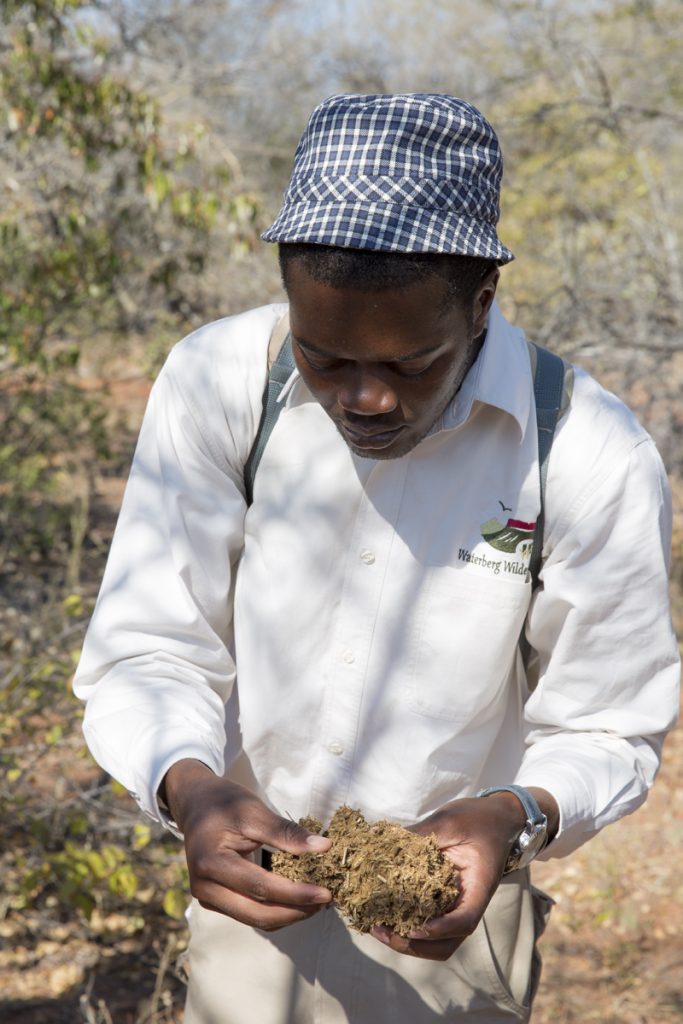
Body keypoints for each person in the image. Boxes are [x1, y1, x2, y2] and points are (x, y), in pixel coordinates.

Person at [73, 94, 679, 1023]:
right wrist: (191, 790)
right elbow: (150, 647)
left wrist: (511, 816)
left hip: (454, 919)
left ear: (481, 302)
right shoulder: (219, 381)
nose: (364, 399)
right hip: (254, 904)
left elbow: (610, 724)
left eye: (408, 365)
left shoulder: (584, 450)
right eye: (324, 358)